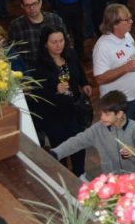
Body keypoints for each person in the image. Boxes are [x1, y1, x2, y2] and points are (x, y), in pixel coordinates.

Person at [32, 26, 91, 175]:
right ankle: (64, 175)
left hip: (74, 108)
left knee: (79, 142)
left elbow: (79, 70)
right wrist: (55, 90)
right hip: (54, 114)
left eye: (61, 41)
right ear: (45, 44)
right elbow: (37, 93)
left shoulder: (70, 54)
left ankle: (80, 173)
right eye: (54, 42)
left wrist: (84, 83)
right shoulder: (40, 65)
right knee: (60, 146)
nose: (59, 45)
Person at [50, 90, 135, 176]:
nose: (102, 117)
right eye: (101, 113)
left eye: (106, 114)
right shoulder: (98, 129)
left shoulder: (134, 128)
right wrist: (56, 152)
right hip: (112, 179)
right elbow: (77, 141)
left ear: (119, 114)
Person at [92, 4, 135, 138]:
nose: (132, 21)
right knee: (124, 141)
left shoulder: (127, 35)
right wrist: (126, 68)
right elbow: (100, 78)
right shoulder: (102, 47)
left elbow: (130, 57)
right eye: (127, 19)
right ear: (115, 24)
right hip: (118, 106)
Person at [7, 0, 67, 73]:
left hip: (56, 67)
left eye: (34, 4)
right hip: (31, 71)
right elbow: (12, 52)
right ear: (22, 6)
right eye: (27, 5)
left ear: (40, 3)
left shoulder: (55, 19)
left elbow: (67, 42)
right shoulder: (16, 26)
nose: (31, 8)